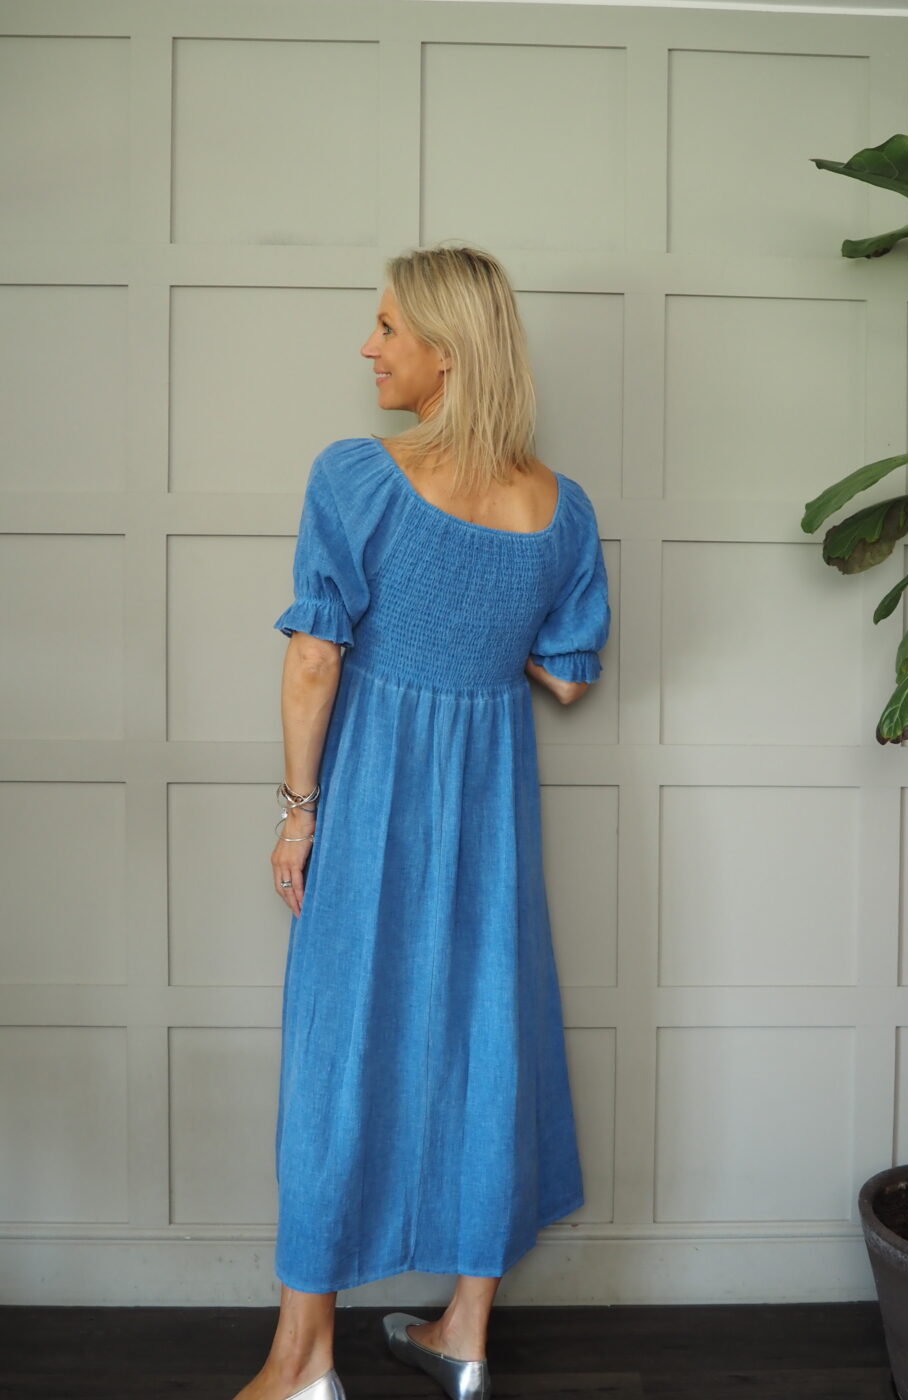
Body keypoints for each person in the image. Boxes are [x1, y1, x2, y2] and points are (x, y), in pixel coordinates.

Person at [236, 244, 611, 1400]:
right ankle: (463, 1332)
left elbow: (314, 658)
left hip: (375, 800)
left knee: (337, 1053)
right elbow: (568, 675)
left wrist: (298, 813)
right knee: (489, 1038)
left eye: (389, 326)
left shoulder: (358, 476)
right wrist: (482, 643)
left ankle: (304, 1360)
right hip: (490, 811)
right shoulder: (561, 508)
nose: (369, 346)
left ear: (447, 350)